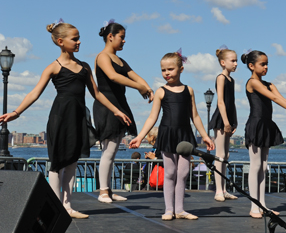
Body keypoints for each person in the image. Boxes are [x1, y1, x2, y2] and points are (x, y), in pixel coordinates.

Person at [0, 20, 131, 219]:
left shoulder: (85, 67)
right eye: (75, 39)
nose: (79, 42)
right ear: (61, 41)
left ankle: (67, 206)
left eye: (79, 39)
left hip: (78, 118)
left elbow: (97, 94)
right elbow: (35, 93)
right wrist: (16, 112)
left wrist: (116, 111)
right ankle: (55, 206)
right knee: (58, 162)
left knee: (72, 161)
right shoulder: (53, 67)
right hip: (60, 117)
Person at [129, 52, 214, 221]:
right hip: (167, 134)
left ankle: (180, 209)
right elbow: (152, 117)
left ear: (181, 69)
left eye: (170, 69)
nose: (166, 73)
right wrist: (140, 136)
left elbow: (194, 116)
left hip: (184, 134)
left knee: (182, 173)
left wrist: (205, 136)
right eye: (163, 70)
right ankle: (169, 209)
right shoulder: (161, 92)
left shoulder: (188, 90)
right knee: (170, 172)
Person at [242, 50, 286, 218]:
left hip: (266, 125)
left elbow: (283, 100)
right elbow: (275, 99)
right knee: (256, 166)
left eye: (267, 64)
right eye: (262, 64)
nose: (265, 67)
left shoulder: (270, 84)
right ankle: (253, 206)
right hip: (256, 125)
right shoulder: (252, 83)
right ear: (251, 66)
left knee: (263, 167)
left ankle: (263, 205)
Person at [95, 20, 154, 203]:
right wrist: (139, 87)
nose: (124, 41)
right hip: (107, 106)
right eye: (122, 37)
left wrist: (148, 88)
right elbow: (113, 76)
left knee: (112, 152)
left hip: (120, 105)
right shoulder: (103, 56)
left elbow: (134, 75)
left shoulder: (120, 60)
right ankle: (103, 192)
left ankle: (109, 190)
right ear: (110, 37)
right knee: (109, 150)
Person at [208, 46, 238, 202]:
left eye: (236, 60)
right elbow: (220, 101)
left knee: (225, 154)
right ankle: (218, 190)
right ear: (222, 62)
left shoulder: (231, 80)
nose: (236, 64)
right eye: (232, 61)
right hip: (221, 118)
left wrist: (234, 121)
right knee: (219, 155)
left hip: (228, 118)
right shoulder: (221, 77)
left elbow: (231, 102)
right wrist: (226, 122)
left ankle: (224, 189)